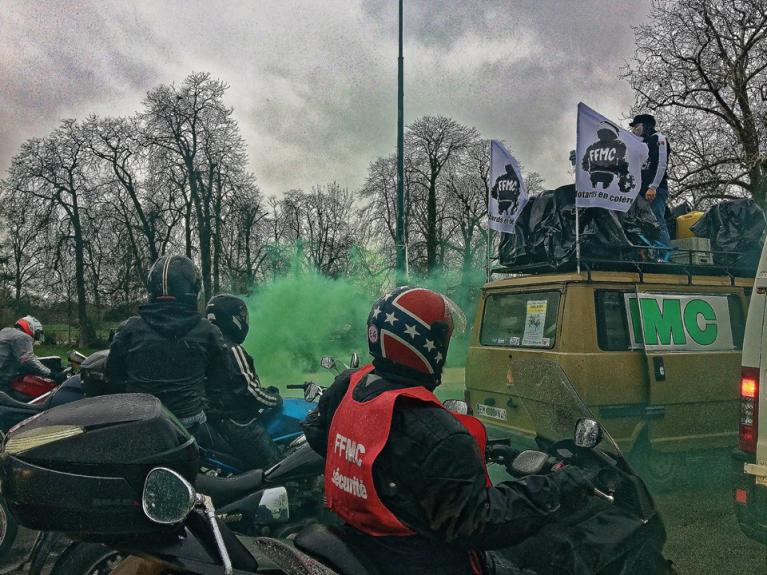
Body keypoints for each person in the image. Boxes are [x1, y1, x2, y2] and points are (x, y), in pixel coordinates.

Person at [303, 286, 596, 575]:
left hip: (367, 543)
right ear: (424, 343)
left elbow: (323, 434)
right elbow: (479, 522)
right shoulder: (433, 429)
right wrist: (558, 489)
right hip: (424, 561)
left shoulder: (349, 386)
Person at [105, 255, 226, 438]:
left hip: (139, 421)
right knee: (235, 454)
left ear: (152, 290)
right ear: (192, 291)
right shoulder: (209, 331)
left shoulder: (129, 328)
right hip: (190, 424)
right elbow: (219, 386)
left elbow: (112, 377)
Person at [205, 294, 282, 468]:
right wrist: (275, 399)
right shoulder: (233, 349)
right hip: (238, 423)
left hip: (214, 421)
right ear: (231, 318)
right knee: (278, 468)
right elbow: (251, 392)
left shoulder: (206, 345)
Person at [630, 113, 671, 246]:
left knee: (657, 220)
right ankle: (648, 252)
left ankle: (664, 253)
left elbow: (662, 163)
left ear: (645, 125)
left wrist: (653, 186)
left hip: (655, 189)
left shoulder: (658, 138)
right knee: (642, 222)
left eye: (636, 126)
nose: (634, 130)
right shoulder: (640, 143)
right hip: (640, 191)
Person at [0, 316, 66, 390]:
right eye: (37, 332)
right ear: (30, 327)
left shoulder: (6, 331)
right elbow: (28, 360)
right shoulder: (21, 336)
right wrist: (51, 374)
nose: (36, 335)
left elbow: (27, 358)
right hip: (2, 381)